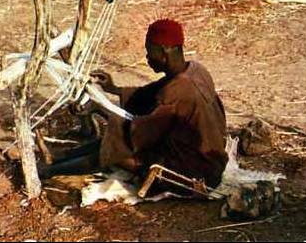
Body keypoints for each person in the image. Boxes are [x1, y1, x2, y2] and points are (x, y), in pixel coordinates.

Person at [39, 19, 228, 190]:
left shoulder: (179, 89)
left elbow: (138, 133)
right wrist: (114, 89)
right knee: (117, 137)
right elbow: (152, 93)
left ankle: (47, 172)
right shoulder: (195, 70)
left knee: (117, 147)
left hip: (196, 173)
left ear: (163, 52)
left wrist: (100, 109)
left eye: (149, 52)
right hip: (210, 159)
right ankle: (57, 157)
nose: (147, 58)